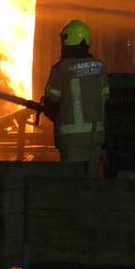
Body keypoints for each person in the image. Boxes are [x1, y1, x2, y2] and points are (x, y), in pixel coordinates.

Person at [41, 19, 109, 175]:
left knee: (73, 184)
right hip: (96, 137)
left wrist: (47, 108)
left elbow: (52, 107)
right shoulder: (100, 67)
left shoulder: (60, 69)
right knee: (91, 179)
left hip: (71, 140)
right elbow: (105, 99)